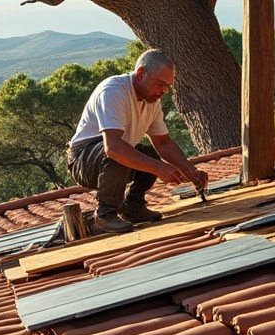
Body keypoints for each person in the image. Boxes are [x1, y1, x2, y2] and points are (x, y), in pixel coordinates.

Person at [68, 49, 209, 234]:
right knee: (120, 153)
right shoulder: (113, 91)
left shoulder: (153, 102)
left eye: (168, 86)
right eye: (160, 84)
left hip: (111, 153)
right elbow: (113, 148)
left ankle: (133, 208)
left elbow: (163, 144)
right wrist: (159, 168)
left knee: (149, 155)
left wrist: (191, 171)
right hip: (83, 160)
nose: (164, 91)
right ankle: (104, 216)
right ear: (141, 74)